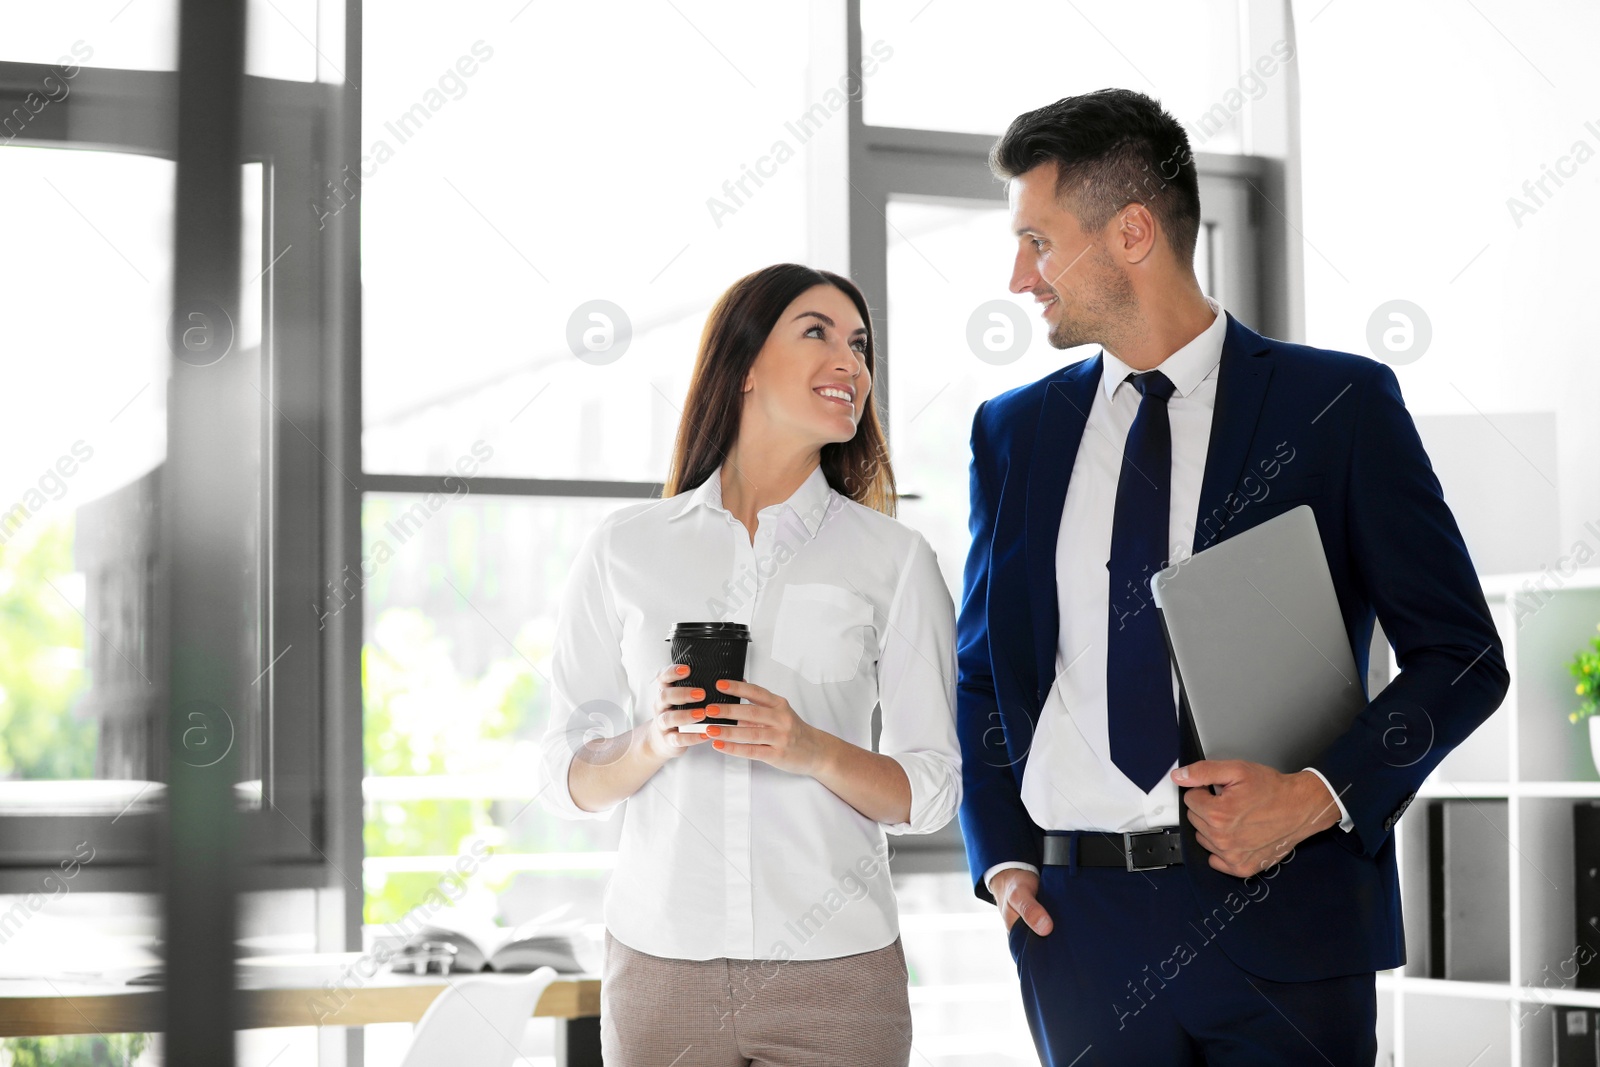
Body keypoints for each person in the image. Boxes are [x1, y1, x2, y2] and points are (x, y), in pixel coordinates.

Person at [956, 89, 1510, 1065]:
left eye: (1037, 241)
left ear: (1131, 231)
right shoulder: (1013, 432)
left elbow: (1460, 656)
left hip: (1286, 918)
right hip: (1077, 936)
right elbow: (978, 669)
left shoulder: (1336, 404)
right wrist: (1002, 860)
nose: (1017, 276)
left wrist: (1316, 793)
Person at [538, 263, 961, 1066]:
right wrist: (649, 743)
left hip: (838, 972)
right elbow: (564, 775)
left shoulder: (896, 559)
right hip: (660, 966)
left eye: (860, 344)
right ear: (745, 366)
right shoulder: (627, 548)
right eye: (817, 332)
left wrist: (811, 748)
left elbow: (932, 788)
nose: (852, 362)